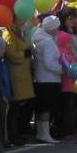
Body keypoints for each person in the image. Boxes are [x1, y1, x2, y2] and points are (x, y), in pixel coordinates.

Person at [1, 18, 35, 148]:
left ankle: (16, 133)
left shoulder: (18, 32)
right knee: (13, 107)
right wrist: (24, 54)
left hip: (22, 72)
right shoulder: (8, 33)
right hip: (14, 73)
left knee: (18, 107)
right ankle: (11, 135)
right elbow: (11, 54)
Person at [31, 15, 64, 144]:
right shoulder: (48, 41)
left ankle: (41, 133)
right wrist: (61, 69)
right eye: (57, 27)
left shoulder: (37, 37)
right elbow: (49, 63)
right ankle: (44, 134)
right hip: (50, 78)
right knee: (46, 107)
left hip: (40, 77)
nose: (58, 29)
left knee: (41, 107)